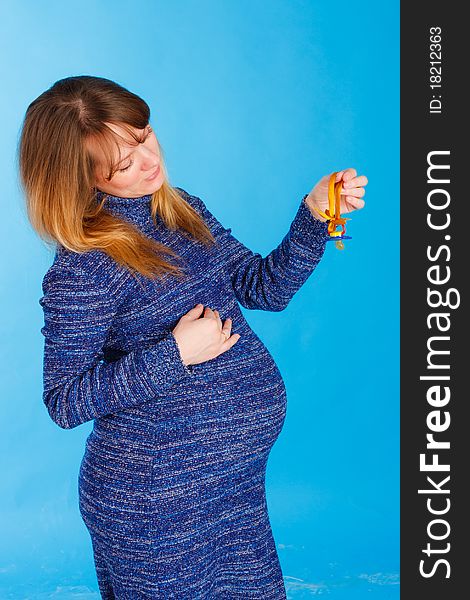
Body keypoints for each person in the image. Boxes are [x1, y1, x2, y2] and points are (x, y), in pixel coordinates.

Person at [18, 75, 367, 599]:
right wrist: (176, 353)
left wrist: (315, 215)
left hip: (233, 487)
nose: (148, 161)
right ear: (79, 179)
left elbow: (264, 288)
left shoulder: (181, 210)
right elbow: (64, 399)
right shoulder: (84, 268)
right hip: (154, 504)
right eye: (123, 165)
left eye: (143, 137)